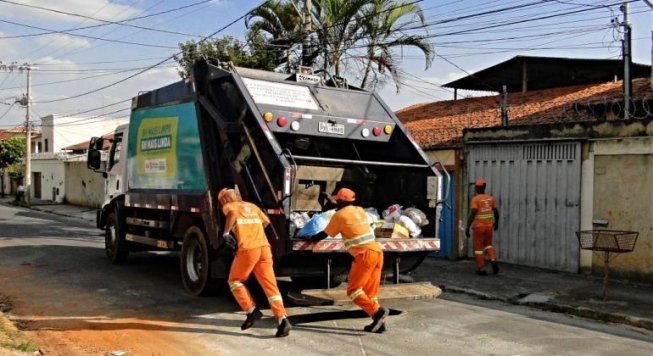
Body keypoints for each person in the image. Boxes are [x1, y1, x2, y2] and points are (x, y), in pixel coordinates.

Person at [308, 188, 389, 333]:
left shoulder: (339, 216)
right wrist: (332, 203)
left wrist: (307, 239)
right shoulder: (359, 210)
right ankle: (379, 323)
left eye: (337, 200)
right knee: (370, 293)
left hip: (364, 255)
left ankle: (377, 312)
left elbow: (323, 234)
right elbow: (345, 212)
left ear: (340, 201)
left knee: (354, 291)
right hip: (377, 252)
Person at [218, 188, 291, 337]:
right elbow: (265, 222)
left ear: (225, 199)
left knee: (235, 281)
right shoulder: (252, 206)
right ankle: (282, 319)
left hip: (248, 250)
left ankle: (252, 310)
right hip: (264, 249)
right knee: (270, 286)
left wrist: (226, 233)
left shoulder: (229, 207)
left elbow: (232, 214)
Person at [465, 178, 500, 275]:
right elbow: (496, 213)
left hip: (479, 227)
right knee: (488, 245)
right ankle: (493, 259)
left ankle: (481, 268)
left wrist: (468, 227)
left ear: (476, 188)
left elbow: (472, 214)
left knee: (478, 248)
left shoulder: (475, 199)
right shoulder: (491, 198)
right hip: (489, 226)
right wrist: (496, 223)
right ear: (484, 187)